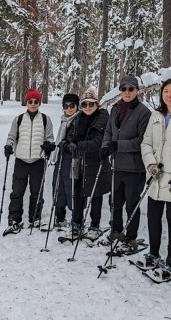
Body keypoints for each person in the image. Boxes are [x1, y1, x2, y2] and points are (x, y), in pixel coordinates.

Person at [138, 78, 171, 282]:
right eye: (166, 91)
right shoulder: (155, 115)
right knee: (153, 217)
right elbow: (146, 143)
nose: (169, 95)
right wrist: (150, 164)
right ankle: (153, 253)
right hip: (155, 177)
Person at [100, 75, 151, 250]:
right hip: (116, 165)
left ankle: (131, 238)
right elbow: (108, 131)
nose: (127, 92)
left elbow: (142, 140)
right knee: (115, 202)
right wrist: (106, 146)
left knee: (131, 204)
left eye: (131, 89)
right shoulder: (115, 109)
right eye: (124, 89)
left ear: (137, 90)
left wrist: (117, 145)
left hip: (135, 168)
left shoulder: (144, 112)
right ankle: (115, 231)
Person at [3, 88, 55, 235]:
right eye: (30, 101)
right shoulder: (18, 119)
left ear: (39, 103)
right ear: (26, 102)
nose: (33, 104)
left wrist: (49, 145)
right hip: (21, 160)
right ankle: (14, 219)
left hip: (38, 161)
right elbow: (12, 136)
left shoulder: (45, 119)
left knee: (36, 191)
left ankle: (35, 218)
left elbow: (49, 137)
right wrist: (8, 146)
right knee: (17, 191)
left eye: (36, 101)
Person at [66, 87, 111, 240]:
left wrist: (79, 145)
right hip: (79, 161)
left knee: (95, 195)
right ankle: (77, 223)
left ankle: (95, 225)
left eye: (91, 104)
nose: (87, 107)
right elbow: (71, 136)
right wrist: (69, 144)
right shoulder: (78, 118)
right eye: (84, 104)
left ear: (97, 104)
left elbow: (99, 142)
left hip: (96, 162)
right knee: (78, 193)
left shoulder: (103, 118)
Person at [50, 93, 80, 228]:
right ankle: (60, 217)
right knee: (57, 186)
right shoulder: (64, 120)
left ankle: (76, 220)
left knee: (71, 188)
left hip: (72, 158)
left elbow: (79, 139)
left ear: (77, 106)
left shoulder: (79, 120)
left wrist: (69, 144)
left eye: (72, 105)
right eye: (66, 106)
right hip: (61, 156)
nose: (69, 108)